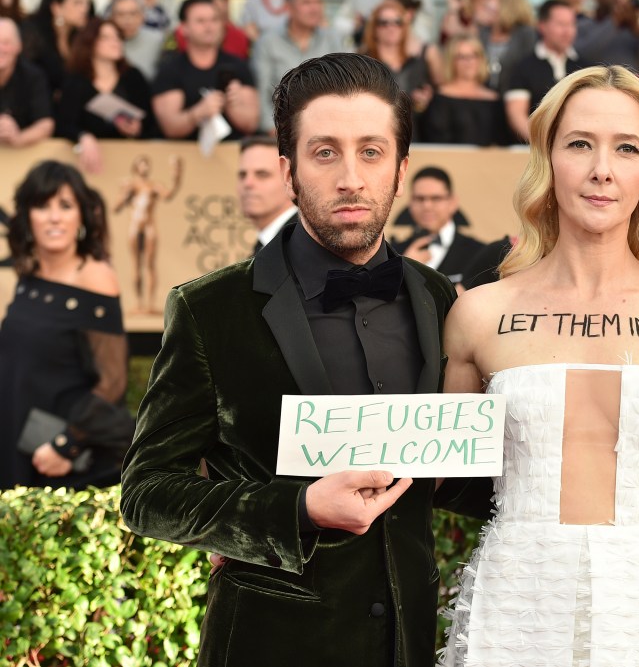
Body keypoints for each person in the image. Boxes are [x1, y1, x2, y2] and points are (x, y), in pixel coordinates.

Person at [120, 53, 492, 666]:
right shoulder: (211, 309)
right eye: (326, 153)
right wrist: (297, 509)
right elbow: (145, 492)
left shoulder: (439, 299)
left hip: (407, 645)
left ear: (400, 168)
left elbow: (452, 472)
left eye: (371, 152)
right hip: (270, 644)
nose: (351, 177)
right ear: (289, 171)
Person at [440, 64, 639, 667]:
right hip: (516, 606)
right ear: (548, 159)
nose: (601, 169)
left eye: (626, 148)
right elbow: (438, 477)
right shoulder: (478, 316)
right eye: (580, 143)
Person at [0, 160, 134, 490]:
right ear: (28, 216)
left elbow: (112, 382)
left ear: (82, 216)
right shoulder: (28, 275)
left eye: (65, 205)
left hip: (58, 456)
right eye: (43, 205)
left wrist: (66, 443)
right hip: (14, 437)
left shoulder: (95, 276)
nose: (55, 216)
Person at [57, 18, 158, 175]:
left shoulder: (133, 77)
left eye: (117, 37)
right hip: (88, 168)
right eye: (106, 37)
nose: (115, 42)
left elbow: (151, 123)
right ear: (90, 42)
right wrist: (83, 136)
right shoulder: (76, 81)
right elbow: (63, 124)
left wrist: (137, 129)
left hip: (129, 165)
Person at [152, 0, 259, 141]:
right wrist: (198, 112)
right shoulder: (170, 71)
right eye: (200, 21)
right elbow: (170, 128)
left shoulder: (238, 66)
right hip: (184, 156)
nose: (209, 27)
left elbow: (251, 123)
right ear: (184, 28)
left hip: (233, 155)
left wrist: (232, 104)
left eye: (214, 20)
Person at [253, 0, 347, 135]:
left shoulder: (333, 39)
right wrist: (274, 131)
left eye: (317, 2)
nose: (314, 8)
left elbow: (345, 85)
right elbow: (261, 91)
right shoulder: (268, 42)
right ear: (289, 7)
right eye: (306, 3)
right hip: (282, 129)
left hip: (329, 125)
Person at [395, 166, 487, 286]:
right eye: (419, 198)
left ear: (453, 202)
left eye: (436, 198)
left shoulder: (478, 253)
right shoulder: (393, 254)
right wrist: (403, 270)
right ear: (410, 203)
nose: (427, 206)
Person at [504, 0, 581, 142]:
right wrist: (541, 145)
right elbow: (516, 114)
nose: (567, 31)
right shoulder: (523, 67)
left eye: (572, 24)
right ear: (542, 26)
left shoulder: (585, 67)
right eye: (561, 24)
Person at [114, 154, 182, 314]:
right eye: (141, 164)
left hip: (149, 227)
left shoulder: (153, 186)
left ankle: (150, 304)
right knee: (136, 265)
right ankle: (138, 303)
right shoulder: (129, 186)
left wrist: (176, 176)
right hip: (134, 227)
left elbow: (169, 194)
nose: (144, 167)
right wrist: (124, 194)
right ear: (136, 167)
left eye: (146, 164)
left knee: (150, 265)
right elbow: (116, 207)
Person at [420, 33, 511, 145]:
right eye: (461, 57)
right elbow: (436, 140)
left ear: (481, 59)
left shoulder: (494, 99)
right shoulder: (440, 98)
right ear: (451, 61)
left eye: (473, 55)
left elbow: (502, 142)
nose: (468, 62)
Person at [361, 0, 437, 116]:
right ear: (374, 27)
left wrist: (426, 96)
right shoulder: (364, 61)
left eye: (398, 22)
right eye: (384, 22)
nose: (391, 27)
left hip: (415, 129)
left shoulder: (416, 59)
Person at [19, 0, 90, 100]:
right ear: (56, 8)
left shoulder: (80, 37)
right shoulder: (33, 32)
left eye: (87, 3)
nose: (85, 9)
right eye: (77, 3)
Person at [0, 17, 55, 149]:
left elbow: (46, 123)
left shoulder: (33, 76)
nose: (1, 48)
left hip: (21, 159)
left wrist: (18, 138)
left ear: (19, 46)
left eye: (6, 42)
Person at [237, 135, 296, 256]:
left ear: (290, 180)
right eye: (242, 175)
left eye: (262, 174)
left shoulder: (301, 245)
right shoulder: (269, 243)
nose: (247, 184)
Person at [111, 0, 165, 81]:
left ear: (142, 16)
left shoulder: (158, 40)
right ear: (112, 17)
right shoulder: (103, 43)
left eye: (133, 14)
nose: (127, 20)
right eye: (121, 14)